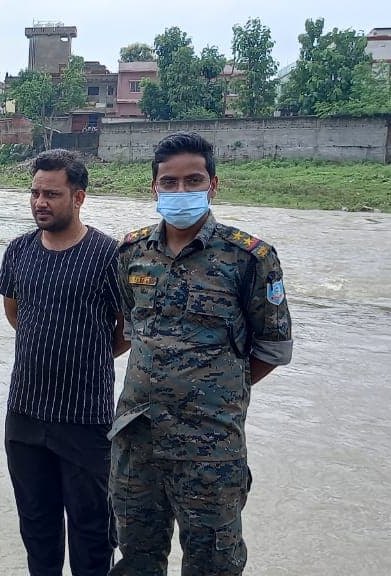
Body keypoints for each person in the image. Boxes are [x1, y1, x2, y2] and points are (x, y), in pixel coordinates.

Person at [110, 132, 293, 576]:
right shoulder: (132, 253)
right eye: (169, 182)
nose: (180, 191)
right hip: (139, 439)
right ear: (153, 187)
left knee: (213, 562)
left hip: (210, 446)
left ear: (213, 185)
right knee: (136, 558)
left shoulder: (249, 257)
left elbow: (273, 347)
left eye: (193, 181)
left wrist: (217, 390)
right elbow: (131, 328)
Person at [0, 150, 127, 576]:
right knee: (37, 528)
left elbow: (127, 330)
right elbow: (16, 313)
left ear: (79, 197)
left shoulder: (110, 256)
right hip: (25, 415)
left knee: (92, 533)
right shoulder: (18, 251)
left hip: (85, 419)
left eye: (51, 193)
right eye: (34, 192)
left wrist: (85, 353)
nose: (40, 202)